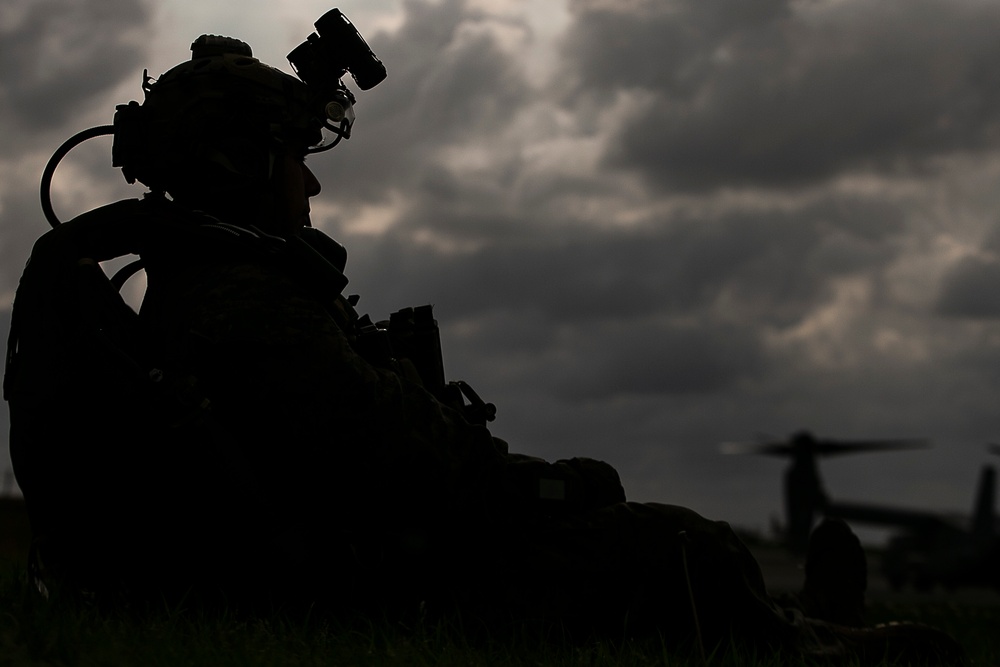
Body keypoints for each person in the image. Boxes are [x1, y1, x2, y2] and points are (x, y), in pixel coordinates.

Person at [8, 15, 966, 665]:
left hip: (370, 566)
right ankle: (816, 648)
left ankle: (795, 626)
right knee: (677, 547)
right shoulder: (245, 307)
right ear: (242, 164)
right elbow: (413, 475)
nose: (311, 187)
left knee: (661, 536)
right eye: (295, 159)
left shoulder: (213, 292)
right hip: (383, 588)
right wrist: (551, 486)